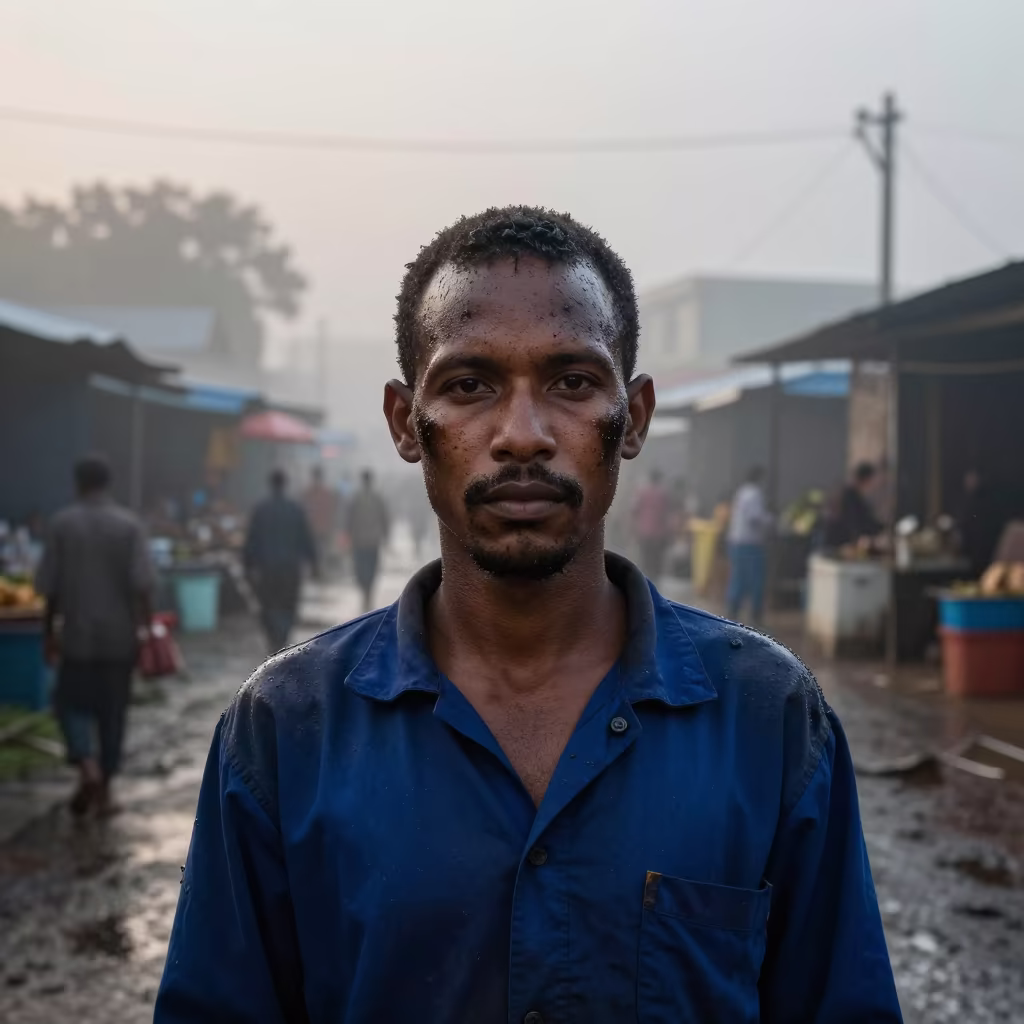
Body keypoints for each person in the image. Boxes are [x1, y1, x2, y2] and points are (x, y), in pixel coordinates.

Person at [157, 207, 902, 1023]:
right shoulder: (285, 732)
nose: (522, 435)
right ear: (408, 423)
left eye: (573, 383)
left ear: (636, 418)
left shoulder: (769, 718)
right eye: (469, 385)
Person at [35, 455, 154, 817]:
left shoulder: (62, 524)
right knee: (113, 712)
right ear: (108, 484)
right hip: (120, 639)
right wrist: (146, 629)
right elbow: (143, 585)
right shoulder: (129, 526)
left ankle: (86, 764)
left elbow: (48, 588)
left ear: (78, 484)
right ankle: (105, 788)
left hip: (77, 637)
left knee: (68, 703)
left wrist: (49, 634)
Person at [243, 469, 317, 654]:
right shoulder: (295, 509)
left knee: (268, 603)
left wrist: (247, 565)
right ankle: (282, 637)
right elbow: (306, 538)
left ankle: (273, 639)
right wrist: (314, 562)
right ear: (285, 484)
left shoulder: (260, 510)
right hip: (290, 568)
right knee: (288, 604)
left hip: (267, 568)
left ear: (270, 484)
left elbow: (251, 540)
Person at [726, 466, 771, 623]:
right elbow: (754, 517)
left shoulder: (742, 492)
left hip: (736, 542)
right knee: (755, 580)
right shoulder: (754, 493)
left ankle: (733, 611)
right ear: (759, 478)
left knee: (738, 578)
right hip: (750, 544)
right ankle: (756, 615)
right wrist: (771, 520)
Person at [346, 468, 390, 612]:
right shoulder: (377, 498)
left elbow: (349, 519)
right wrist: (385, 536)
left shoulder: (356, 497)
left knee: (361, 568)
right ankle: (367, 592)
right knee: (371, 568)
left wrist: (348, 534)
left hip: (359, 540)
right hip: (373, 541)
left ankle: (366, 591)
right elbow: (385, 519)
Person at [822, 461, 885, 550]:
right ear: (866, 479)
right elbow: (857, 521)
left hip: (835, 543)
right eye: (873, 481)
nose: (874, 485)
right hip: (838, 545)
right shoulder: (850, 496)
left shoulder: (848, 493)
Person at [630, 467, 672, 580]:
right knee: (655, 559)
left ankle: (644, 579)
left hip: (644, 531)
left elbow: (634, 510)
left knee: (645, 557)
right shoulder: (663, 494)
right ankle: (654, 580)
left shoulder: (642, 492)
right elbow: (666, 513)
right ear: (659, 479)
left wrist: (634, 527)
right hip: (658, 533)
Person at [302, 465, 341, 577]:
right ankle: (318, 571)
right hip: (322, 529)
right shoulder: (326, 493)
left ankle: (316, 571)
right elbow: (332, 511)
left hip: (315, 529)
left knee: (316, 551)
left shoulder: (308, 494)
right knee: (320, 551)